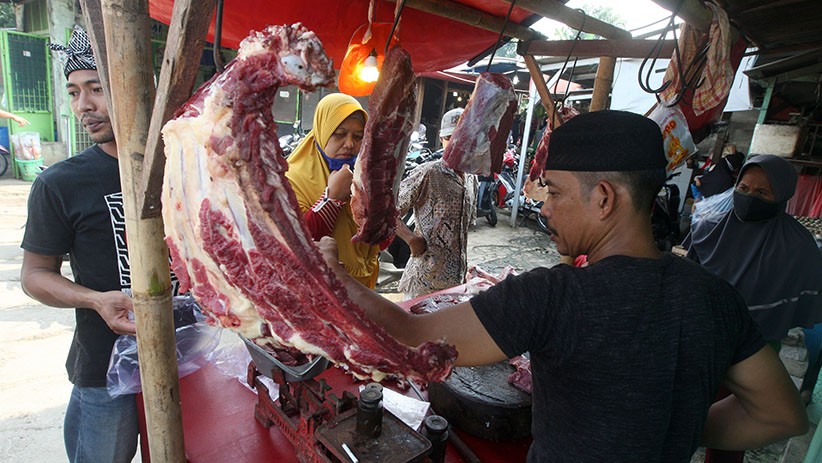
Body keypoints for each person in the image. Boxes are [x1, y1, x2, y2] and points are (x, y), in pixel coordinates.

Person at [319, 110, 808, 462]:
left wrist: (332, 275)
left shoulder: (554, 296)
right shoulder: (716, 297)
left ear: (604, 198)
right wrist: (669, 429)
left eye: (553, 191)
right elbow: (781, 415)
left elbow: (409, 334)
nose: (545, 207)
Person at [20, 26, 141, 462]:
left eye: (96, 88)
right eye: (73, 92)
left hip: (190, 358)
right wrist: (95, 300)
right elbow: (35, 275)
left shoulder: (177, 164)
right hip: (106, 370)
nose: (83, 106)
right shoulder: (60, 184)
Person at [683, 154, 822, 463]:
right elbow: (687, 280)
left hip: (753, 355)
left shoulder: (797, 247)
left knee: (731, 432)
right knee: (683, 418)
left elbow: (801, 307)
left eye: (762, 193)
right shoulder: (710, 226)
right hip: (701, 342)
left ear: (782, 196)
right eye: (743, 189)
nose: (749, 198)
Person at [285, 93, 380, 288]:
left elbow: (378, 242)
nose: (349, 144)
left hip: (360, 288)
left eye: (358, 137)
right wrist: (331, 199)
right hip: (315, 287)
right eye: (339, 134)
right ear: (323, 130)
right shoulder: (291, 178)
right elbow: (293, 243)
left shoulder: (363, 175)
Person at [394, 107, 477, 299]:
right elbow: (388, 213)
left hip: (455, 283)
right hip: (423, 283)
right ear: (441, 139)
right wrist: (411, 239)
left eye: (463, 139)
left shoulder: (472, 177)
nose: (456, 145)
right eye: (450, 138)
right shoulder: (428, 173)